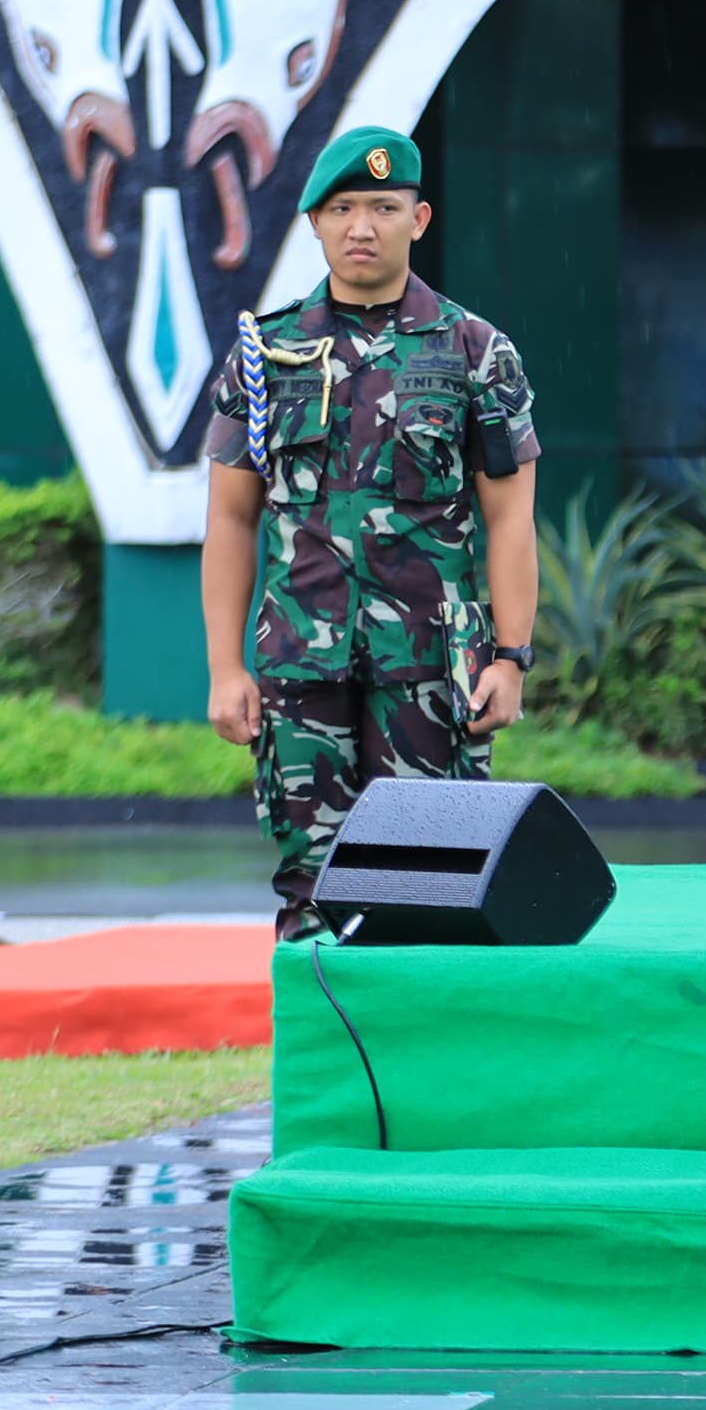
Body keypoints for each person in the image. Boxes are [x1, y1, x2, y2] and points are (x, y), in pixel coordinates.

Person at [200, 127, 542, 938]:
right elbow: (228, 517)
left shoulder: (474, 352)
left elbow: (512, 517)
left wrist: (513, 658)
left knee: (428, 888)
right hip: (299, 660)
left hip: (429, 665)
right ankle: (327, 1066)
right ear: (315, 222)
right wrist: (223, 669)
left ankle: (423, 1065)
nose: (362, 226)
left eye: (384, 207)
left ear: (418, 220)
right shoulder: (267, 354)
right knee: (311, 895)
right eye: (343, 208)